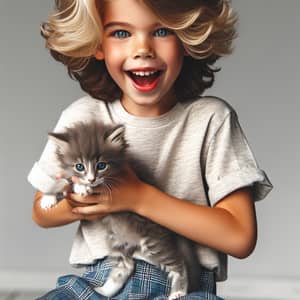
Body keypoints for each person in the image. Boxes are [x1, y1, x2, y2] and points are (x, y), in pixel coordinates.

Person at [28, 0, 273, 299]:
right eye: (120, 33)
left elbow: (240, 237)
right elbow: (42, 212)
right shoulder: (82, 117)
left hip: (183, 286)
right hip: (100, 285)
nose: (142, 49)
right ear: (97, 43)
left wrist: (138, 197)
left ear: (187, 37)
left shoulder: (211, 120)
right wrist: (86, 201)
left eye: (162, 31)